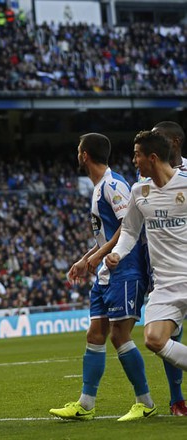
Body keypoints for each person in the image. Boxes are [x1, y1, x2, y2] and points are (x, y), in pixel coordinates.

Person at [49, 133, 156, 422]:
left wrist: (98, 257)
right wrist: (86, 259)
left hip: (126, 268)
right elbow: (106, 236)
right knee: (95, 334)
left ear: (85, 155)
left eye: (78, 149)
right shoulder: (98, 188)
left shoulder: (113, 184)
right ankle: (86, 405)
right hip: (106, 272)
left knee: (120, 335)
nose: (77, 154)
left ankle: (145, 401)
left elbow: (128, 228)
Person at [104, 130, 187, 414]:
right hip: (164, 284)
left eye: (137, 154)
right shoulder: (140, 192)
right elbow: (129, 230)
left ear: (152, 158)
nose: (133, 160)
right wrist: (117, 253)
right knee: (154, 339)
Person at [151, 120, 187, 415]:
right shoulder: (147, 182)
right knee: (168, 335)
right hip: (166, 272)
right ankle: (177, 399)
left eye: (157, 139)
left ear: (174, 143)